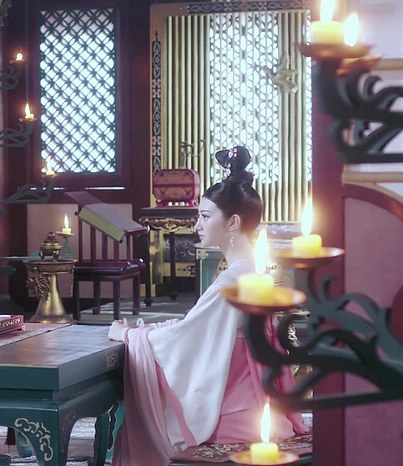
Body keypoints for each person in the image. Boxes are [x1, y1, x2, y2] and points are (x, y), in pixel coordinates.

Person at [108, 146, 308, 465]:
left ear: (233, 223)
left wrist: (130, 336)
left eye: (204, 216)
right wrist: (155, 329)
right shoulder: (251, 273)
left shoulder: (232, 282)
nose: (196, 226)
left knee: (158, 421)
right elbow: (197, 327)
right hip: (259, 399)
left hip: (237, 410)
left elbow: (187, 338)